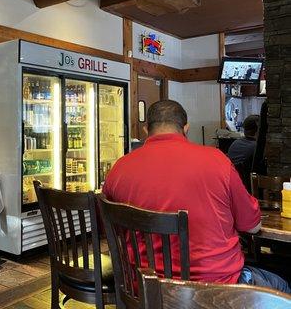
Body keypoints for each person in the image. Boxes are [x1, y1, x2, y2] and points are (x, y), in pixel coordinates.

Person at [102, 100, 290, 293]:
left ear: (145, 130)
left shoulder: (119, 168)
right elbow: (252, 226)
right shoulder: (216, 160)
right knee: (283, 286)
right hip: (216, 289)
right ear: (186, 128)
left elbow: (109, 227)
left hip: (143, 290)